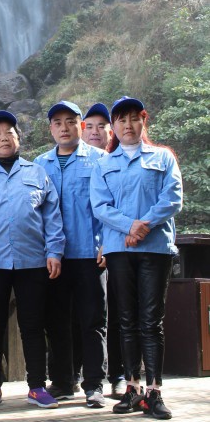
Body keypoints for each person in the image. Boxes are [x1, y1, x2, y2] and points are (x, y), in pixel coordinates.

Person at [0, 110, 65, 408]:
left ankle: (37, 386)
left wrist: (54, 252)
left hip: (33, 261)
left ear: (19, 138)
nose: (4, 138)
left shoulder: (37, 173)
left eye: (9, 133)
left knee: (33, 325)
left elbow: (52, 217)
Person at [90, 96, 182, 420]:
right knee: (126, 320)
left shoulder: (163, 157)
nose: (128, 125)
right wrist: (130, 226)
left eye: (134, 118)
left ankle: (154, 392)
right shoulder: (103, 164)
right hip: (119, 250)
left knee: (151, 321)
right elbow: (100, 206)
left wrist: (143, 226)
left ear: (144, 120)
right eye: (121, 120)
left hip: (155, 248)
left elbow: (172, 198)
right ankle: (132, 388)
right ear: (113, 126)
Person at [34, 100, 108, 409]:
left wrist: (106, 242)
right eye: (57, 123)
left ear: (82, 126)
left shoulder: (100, 160)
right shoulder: (39, 164)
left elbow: (109, 205)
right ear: (50, 128)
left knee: (92, 321)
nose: (64, 128)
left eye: (70, 121)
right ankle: (63, 381)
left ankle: (94, 384)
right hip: (53, 257)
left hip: (90, 253)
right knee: (56, 321)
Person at [80, 102, 125, 399]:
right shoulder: (74, 161)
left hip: (115, 249)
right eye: (90, 126)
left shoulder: (116, 162)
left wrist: (107, 242)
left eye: (102, 126)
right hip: (81, 253)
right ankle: (78, 375)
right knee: (84, 315)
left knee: (117, 313)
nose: (95, 132)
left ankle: (119, 375)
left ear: (112, 131)